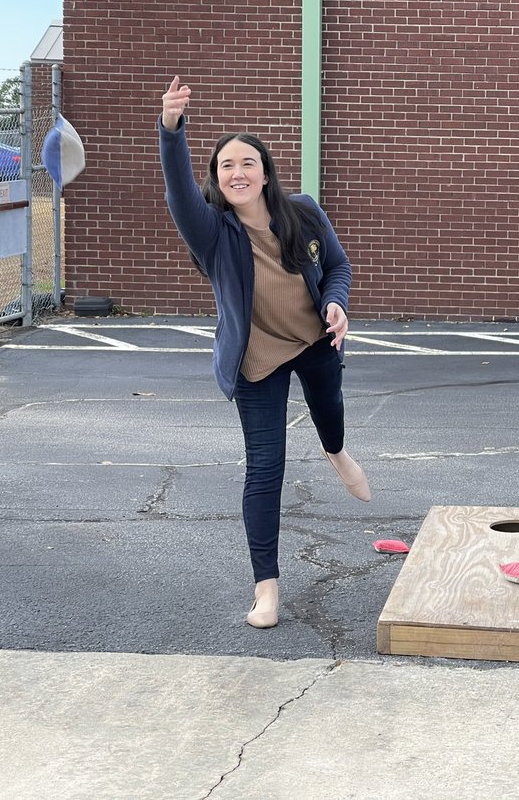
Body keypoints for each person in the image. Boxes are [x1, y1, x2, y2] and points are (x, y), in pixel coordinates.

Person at [158, 76, 370, 630]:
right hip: (257, 361)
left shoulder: (302, 211)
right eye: (226, 165)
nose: (237, 172)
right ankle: (267, 590)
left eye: (247, 162)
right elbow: (179, 189)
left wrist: (336, 302)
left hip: (314, 342)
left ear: (266, 172)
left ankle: (336, 452)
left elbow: (339, 268)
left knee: (331, 413)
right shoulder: (211, 233)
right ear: (218, 180)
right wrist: (171, 129)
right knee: (265, 470)